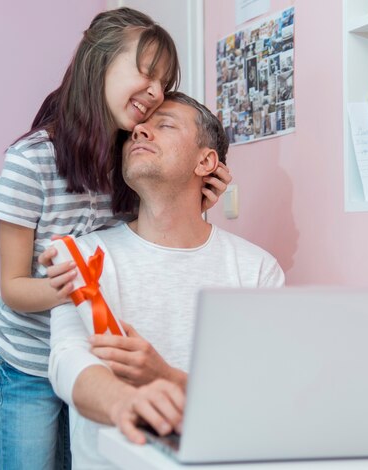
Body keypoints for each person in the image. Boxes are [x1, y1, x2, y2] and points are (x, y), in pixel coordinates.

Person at [0, 8, 232, 470]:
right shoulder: (30, 161)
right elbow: (13, 287)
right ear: (97, 62)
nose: (157, 92)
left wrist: (194, 202)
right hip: (30, 361)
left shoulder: (126, 161)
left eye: (165, 81)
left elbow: (149, 232)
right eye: (147, 72)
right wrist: (82, 283)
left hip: (96, 356)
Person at [47, 92, 285, 470]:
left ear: (205, 161)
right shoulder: (85, 257)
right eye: (137, 128)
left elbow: (263, 394)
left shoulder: (256, 270)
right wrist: (125, 402)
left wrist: (165, 377)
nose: (140, 130)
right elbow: (68, 364)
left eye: (165, 125)